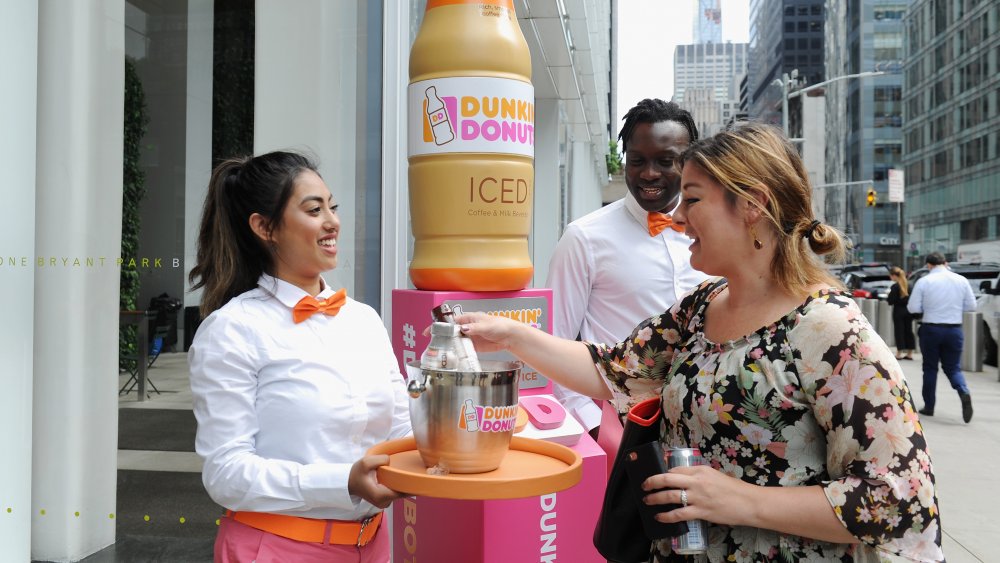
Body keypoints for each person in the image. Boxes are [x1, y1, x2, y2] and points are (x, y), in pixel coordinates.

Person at [457, 123, 942, 561]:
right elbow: (612, 371)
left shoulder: (831, 331)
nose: (679, 218)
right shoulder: (702, 306)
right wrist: (511, 335)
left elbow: (899, 498)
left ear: (752, 205)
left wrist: (741, 500)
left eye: (692, 199)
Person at [188, 151, 410, 562]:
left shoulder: (363, 319)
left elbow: (401, 430)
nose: (332, 221)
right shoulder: (233, 329)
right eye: (314, 209)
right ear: (264, 227)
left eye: (333, 206)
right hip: (278, 547)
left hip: (374, 544)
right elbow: (226, 474)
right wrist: (341, 481)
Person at [546, 98, 707, 448]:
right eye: (637, 161)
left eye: (666, 161)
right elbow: (552, 345)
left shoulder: (713, 236)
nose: (649, 173)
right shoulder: (584, 238)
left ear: (691, 162)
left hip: (703, 429)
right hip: (618, 429)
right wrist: (596, 432)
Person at [907, 252, 976, 423]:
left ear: (928, 265)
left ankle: (929, 407)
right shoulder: (961, 280)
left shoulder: (924, 281)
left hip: (931, 328)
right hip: (954, 330)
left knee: (930, 368)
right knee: (953, 368)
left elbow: (913, 307)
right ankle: (963, 390)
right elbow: (971, 306)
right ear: (945, 263)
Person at [887, 266, 915, 360]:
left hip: (898, 311)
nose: (890, 278)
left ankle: (899, 353)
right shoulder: (910, 285)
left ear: (894, 276)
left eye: (891, 276)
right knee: (909, 331)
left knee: (899, 331)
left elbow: (890, 301)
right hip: (909, 311)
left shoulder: (895, 287)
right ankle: (910, 353)